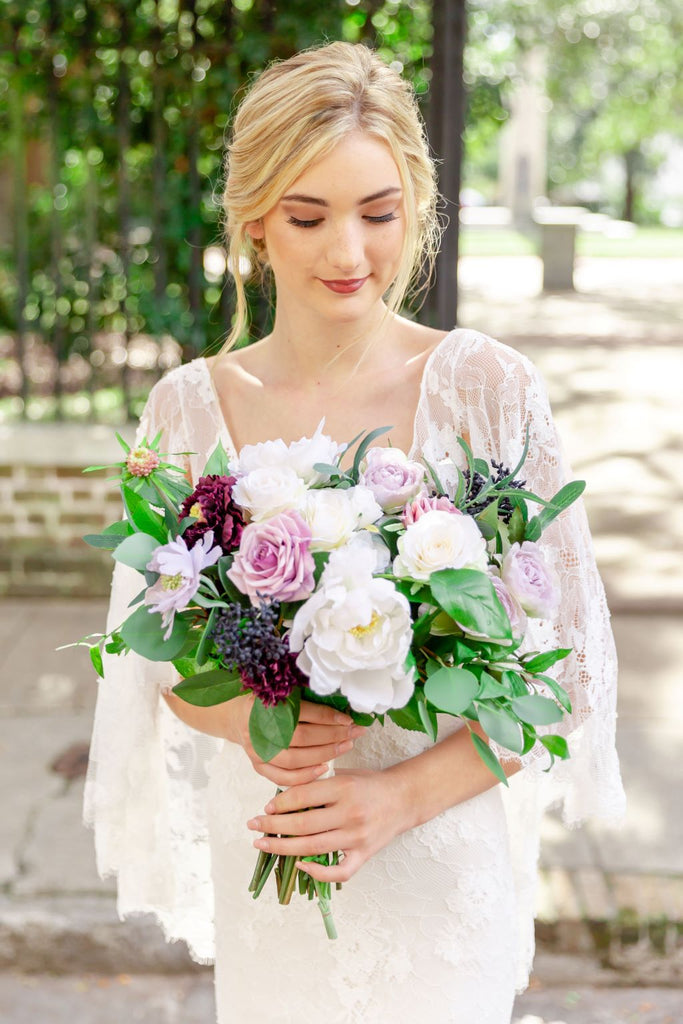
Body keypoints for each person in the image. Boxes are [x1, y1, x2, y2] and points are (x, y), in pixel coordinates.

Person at [85, 42, 624, 1024]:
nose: (347, 253)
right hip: (277, 851)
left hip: (434, 856)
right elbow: (160, 658)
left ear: (412, 209)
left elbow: (567, 674)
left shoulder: (487, 391)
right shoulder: (186, 411)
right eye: (309, 215)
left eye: (377, 214)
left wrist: (401, 797)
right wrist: (250, 722)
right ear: (255, 221)